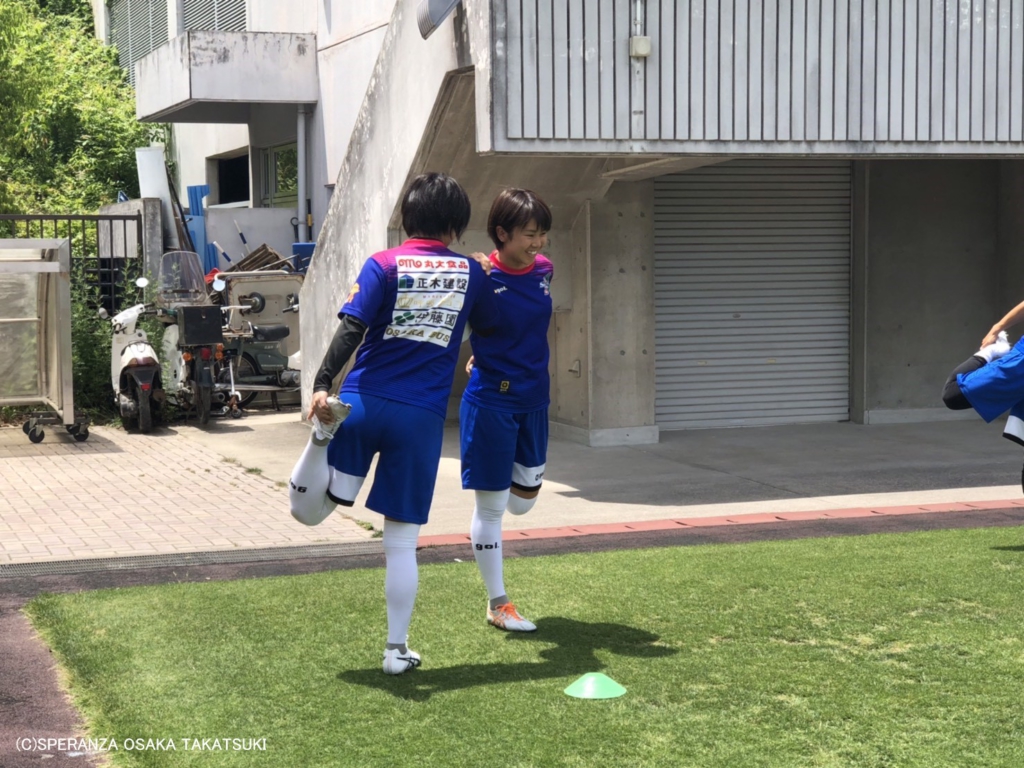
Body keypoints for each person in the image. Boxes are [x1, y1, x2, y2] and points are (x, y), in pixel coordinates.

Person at [288, 172, 502, 675]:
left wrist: (321, 382)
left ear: (407, 218)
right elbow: (491, 327)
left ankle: (319, 439)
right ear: (455, 224)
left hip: (362, 403)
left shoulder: (383, 263)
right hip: (420, 419)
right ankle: (394, 650)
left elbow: (352, 328)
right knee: (401, 543)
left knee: (310, 514)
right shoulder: (471, 275)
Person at [460, 188, 554, 633]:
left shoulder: (545, 270)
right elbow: (458, 330)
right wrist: (479, 353)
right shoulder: (480, 276)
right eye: (529, 234)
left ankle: (497, 596)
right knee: (493, 507)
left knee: (522, 505)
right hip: (491, 402)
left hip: (534, 399)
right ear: (502, 233)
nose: (538, 243)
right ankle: (498, 603)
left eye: (542, 234)